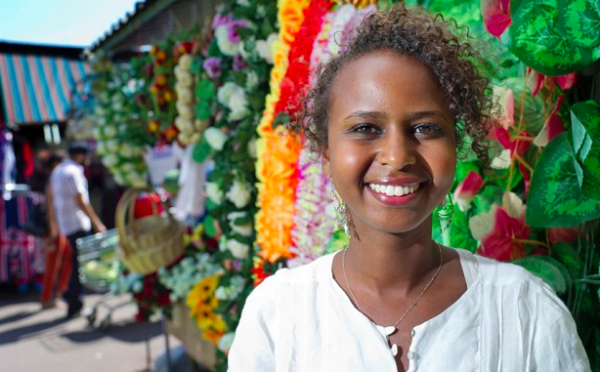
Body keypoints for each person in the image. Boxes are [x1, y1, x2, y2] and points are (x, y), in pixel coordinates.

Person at [228, 4, 590, 372]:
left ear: (455, 143)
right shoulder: (276, 315)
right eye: (366, 128)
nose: (398, 156)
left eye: (426, 128)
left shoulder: (525, 309)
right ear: (326, 153)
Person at [49, 141, 106, 318]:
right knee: (79, 265)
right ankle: (74, 302)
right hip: (77, 224)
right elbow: (81, 200)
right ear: (81, 155)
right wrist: (97, 222)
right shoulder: (73, 172)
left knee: (74, 263)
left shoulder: (58, 171)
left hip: (66, 224)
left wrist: (53, 223)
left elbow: (51, 198)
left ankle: (72, 299)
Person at [40, 152, 72, 309]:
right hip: (56, 228)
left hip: (62, 227)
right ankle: (48, 298)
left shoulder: (56, 179)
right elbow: (50, 207)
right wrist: (53, 228)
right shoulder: (53, 181)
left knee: (67, 259)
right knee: (54, 263)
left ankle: (57, 295)